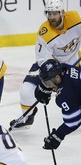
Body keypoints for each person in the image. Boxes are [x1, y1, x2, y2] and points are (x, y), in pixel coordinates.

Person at [10, 0, 81, 130]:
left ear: (62, 13)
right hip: (52, 66)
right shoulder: (44, 33)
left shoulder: (75, 19)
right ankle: (27, 117)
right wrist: (48, 83)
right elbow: (43, 60)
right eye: (49, 13)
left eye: (55, 13)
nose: (52, 17)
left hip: (75, 63)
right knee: (26, 90)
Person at [37, 59, 81, 150]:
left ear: (57, 78)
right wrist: (43, 88)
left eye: (48, 83)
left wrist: (58, 135)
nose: (49, 87)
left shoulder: (65, 95)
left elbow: (74, 121)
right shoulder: (65, 68)